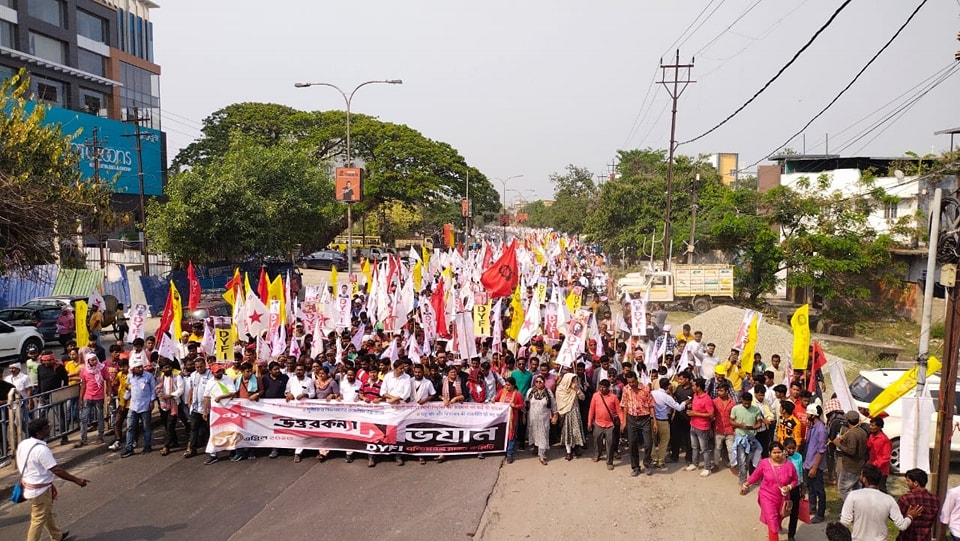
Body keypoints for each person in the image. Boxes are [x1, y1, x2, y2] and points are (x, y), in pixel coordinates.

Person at [17, 417, 89, 541]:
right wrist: (77, 480)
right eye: (46, 428)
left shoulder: (24, 444)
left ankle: (57, 536)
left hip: (30, 485)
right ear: (39, 433)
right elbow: (56, 470)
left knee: (46, 513)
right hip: (40, 490)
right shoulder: (41, 450)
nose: (50, 429)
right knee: (38, 520)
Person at [840, 464, 921, 540]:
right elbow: (902, 525)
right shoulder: (888, 499)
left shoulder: (853, 496)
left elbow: (844, 522)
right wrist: (910, 516)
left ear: (864, 479)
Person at [740, 441, 800, 541]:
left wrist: (788, 487)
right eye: (774, 453)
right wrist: (745, 485)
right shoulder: (764, 463)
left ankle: (778, 525)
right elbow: (755, 476)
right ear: (770, 453)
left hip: (782, 498)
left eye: (779, 452)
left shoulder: (789, 465)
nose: (777, 455)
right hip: (767, 497)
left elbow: (795, 480)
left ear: (783, 452)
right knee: (772, 522)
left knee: (779, 516)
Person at [620, 370, 656, 477]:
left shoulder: (645, 388)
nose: (631, 384)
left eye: (633, 382)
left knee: (648, 443)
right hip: (631, 419)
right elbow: (625, 405)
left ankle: (647, 464)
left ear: (637, 379)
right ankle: (635, 467)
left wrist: (655, 422)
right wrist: (624, 421)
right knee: (632, 444)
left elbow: (651, 405)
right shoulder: (626, 389)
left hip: (645, 419)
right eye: (629, 382)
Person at [120, 356, 156, 458]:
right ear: (133, 369)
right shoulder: (130, 377)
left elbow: (153, 389)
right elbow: (128, 389)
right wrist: (124, 401)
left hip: (145, 405)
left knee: (146, 427)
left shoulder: (148, 376)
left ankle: (147, 446)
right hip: (133, 406)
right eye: (138, 367)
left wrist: (152, 401)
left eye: (141, 367)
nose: (140, 369)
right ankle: (129, 448)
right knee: (130, 427)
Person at [202, 363, 237, 465]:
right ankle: (213, 454)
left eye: (220, 371)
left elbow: (232, 392)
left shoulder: (227, 379)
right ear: (213, 373)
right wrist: (205, 411)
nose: (219, 373)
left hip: (227, 409)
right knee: (214, 430)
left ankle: (232, 450)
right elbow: (207, 397)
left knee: (229, 429)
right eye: (217, 372)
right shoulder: (210, 382)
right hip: (215, 410)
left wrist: (221, 397)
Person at [76, 352, 111, 448]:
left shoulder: (102, 368)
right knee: (84, 418)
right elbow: (83, 385)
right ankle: (84, 439)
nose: (94, 362)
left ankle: (100, 437)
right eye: (92, 360)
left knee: (100, 417)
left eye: (95, 359)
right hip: (87, 397)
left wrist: (109, 394)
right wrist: (80, 398)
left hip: (99, 397)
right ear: (88, 361)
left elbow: (108, 380)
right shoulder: (84, 370)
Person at [588, 379, 623, 471]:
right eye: (600, 387)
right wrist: (589, 422)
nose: (601, 389)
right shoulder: (595, 396)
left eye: (603, 387)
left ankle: (609, 462)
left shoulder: (613, 397)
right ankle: (597, 454)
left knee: (610, 444)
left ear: (608, 388)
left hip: (610, 425)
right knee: (596, 441)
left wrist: (623, 422)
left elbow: (619, 411)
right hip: (598, 423)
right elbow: (591, 409)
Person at [833, 410, 868, 502]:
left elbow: (851, 451)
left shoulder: (851, 433)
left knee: (843, 489)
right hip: (859, 465)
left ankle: (851, 508)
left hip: (850, 467)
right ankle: (859, 507)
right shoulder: (862, 432)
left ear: (847, 420)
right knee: (857, 489)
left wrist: (838, 444)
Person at [895, 468, 939, 541]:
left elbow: (896, 517)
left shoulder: (906, 498)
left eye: (908, 481)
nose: (906, 483)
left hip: (907, 538)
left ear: (915, 483)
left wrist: (909, 516)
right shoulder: (935, 500)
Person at [804, 403, 828, 524]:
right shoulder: (812, 426)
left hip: (815, 465)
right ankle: (812, 507)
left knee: (819, 490)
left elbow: (821, 451)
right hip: (808, 463)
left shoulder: (821, 430)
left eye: (808, 413)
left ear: (813, 415)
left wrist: (815, 467)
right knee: (810, 487)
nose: (806, 415)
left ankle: (820, 514)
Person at [686, 376, 715, 477]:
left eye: (694, 385)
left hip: (702, 427)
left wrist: (695, 413)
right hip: (693, 425)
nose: (692, 387)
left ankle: (707, 468)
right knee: (694, 446)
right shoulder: (695, 395)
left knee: (704, 448)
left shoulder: (707, 399)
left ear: (699, 387)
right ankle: (695, 463)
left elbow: (711, 414)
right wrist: (691, 407)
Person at [526, 375, 557, 464]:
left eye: (541, 382)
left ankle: (542, 455)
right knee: (534, 435)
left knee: (543, 436)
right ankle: (536, 449)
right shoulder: (530, 391)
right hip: (532, 418)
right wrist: (524, 415)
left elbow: (553, 405)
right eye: (537, 382)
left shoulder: (548, 393)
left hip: (543, 419)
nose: (538, 383)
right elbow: (526, 404)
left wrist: (555, 415)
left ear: (544, 383)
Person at [555, 372, 585, 461]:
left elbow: (583, 398)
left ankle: (575, 448)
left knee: (575, 432)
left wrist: (577, 390)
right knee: (567, 433)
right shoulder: (561, 389)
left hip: (575, 413)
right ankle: (568, 452)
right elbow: (559, 402)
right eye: (573, 380)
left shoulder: (576, 388)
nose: (575, 382)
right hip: (565, 414)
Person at [495, 376, 525, 464]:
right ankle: (503, 450)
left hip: (512, 419)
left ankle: (509, 454)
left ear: (513, 385)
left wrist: (515, 406)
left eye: (508, 385)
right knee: (503, 435)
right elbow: (496, 399)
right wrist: (493, 400)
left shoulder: (517, 394)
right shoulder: (502, 392)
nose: (506, 387)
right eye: (505, 385)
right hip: (502, 419)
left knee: (511, 436)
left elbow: (522, 405)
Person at [784, 437, 804, 541]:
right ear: (785, 448)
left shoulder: (799, 457)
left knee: (794, 512)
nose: (791, 450)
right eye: (789, 448)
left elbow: (800, 473)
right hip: (783, 488)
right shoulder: (782, 457)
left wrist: (802, 489)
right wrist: (784, 458)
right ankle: (777, 524)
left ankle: (791, 534)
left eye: (793, 448)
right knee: (781, 509)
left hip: (795, 487)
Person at [865, 417, 891, 493]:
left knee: (881, 489)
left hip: (881, 470)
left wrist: (874, 464)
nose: (871, 427)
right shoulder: (871, 436)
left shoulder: (884, 440)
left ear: (879, 427)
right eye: (870, 425)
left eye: (873, 425)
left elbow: (886, 457)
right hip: (871, 466)